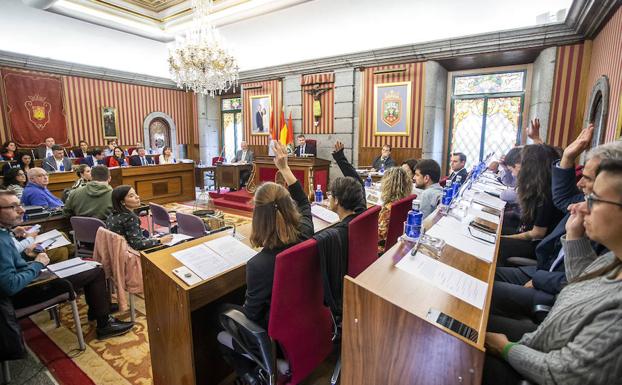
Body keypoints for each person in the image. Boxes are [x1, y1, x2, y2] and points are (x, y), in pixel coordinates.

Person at [483, 159, 622, 385]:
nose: (582, 206)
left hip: (539, 367)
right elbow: (581, 284)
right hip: (537, 346)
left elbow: (564, 373)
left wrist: (505, 348)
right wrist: (575, 237)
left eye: (594, 200)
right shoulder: (612, 259)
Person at [490, 128, 622, 331]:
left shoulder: (608, 230)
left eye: (590, 182)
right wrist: (568, 155)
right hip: (548, 272)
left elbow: (579, 282)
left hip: (552, 288)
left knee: (487, 292)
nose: (579, 185)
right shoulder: (589, 206)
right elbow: (563, 196)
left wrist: (505, 348)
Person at [218, 141, 314, 383]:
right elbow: (304, 203)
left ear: (257, 217)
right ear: (288, 209)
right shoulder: (305, 232)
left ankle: (250, 376)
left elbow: (251, 315)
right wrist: (285, 169)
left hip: (276, 341)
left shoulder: (258, 265)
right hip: (306, 326)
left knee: (220, 313)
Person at [0, 190, 134, 340]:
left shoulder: (4, 233)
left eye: (20, 205)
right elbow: (9, 285)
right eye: (13, 206)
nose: (21, 210)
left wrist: (25, 255)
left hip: (27, 282)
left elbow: (11, 264)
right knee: (96, 271)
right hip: (23, 293)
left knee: (92, 267)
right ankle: (104, 324)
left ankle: (98, 310)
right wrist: (37, 264)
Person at [498, 145, 564, 265]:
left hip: (538, 246)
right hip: (527, 235)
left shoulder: (545, 194)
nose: (513, 173)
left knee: (496, 245)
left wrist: (505, 238)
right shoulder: (537, 188)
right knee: (493, 231)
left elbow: (537, 233)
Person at [106, 185, 173, 250]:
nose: (137, 197)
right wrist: (160, 241)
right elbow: (137, 245)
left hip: (118, 251)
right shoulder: (130, 218)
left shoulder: (112, 214)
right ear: (123, 202)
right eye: (131, 196)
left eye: (136, 194)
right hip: (131, 254)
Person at [377, 166, 411, 253]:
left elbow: (378, 236)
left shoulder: (388, 209)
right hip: (397, 245)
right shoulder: (405, 202)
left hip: (382, 250)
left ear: (387, 185)